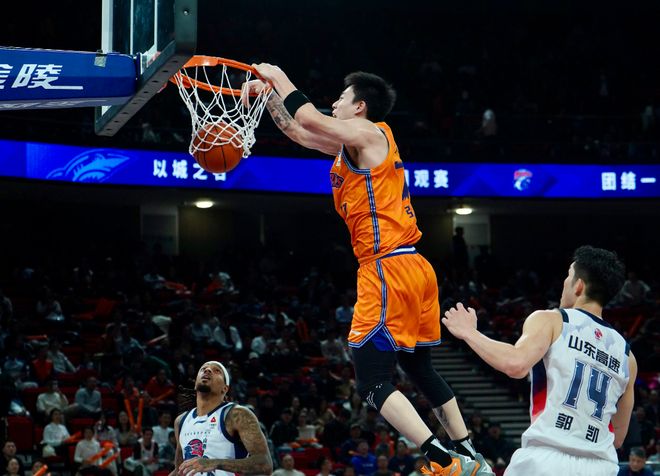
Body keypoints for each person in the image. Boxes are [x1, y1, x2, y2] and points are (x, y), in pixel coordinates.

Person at [244, 65, 491, 476]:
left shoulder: (369, 132)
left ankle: (443, 460)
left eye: (342, 97)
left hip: (387, 267)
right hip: (413, 265)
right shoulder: (355, 143)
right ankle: (469, 453)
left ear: (359, 106)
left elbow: (309, 118)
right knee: (419, 368)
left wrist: (278, 77)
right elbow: (299, 131)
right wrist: (268, 96)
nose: (334, 102)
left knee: (372, 380)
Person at [443, 245, 637, 476]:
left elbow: (515, 364)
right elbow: (618, 437)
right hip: (602, 467)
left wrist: (469, 332)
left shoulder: (553, 320)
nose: (564, 283)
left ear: (578, 285)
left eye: (568, 276)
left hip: (547, 460)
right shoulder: (627, 356)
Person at [171, 361, 272, 476]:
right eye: (203, 369)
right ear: (195, 384)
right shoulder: (181, 421)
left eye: (217, 371)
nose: (207, 370)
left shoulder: (237, 415)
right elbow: (179, 471)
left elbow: (265, 464)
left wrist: (215, 463)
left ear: (225, 388)